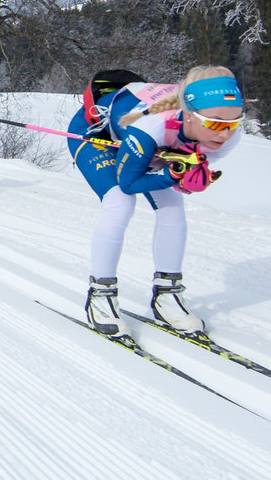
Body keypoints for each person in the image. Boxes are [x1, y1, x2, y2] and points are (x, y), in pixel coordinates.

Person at [67, 65, 244, 337]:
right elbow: (130, 183)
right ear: (189, 115)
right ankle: (101, 297)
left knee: (173, 209)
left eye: (234, 123)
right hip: (97, 136)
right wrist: (174, 174)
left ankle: (167, 296)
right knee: (120, 202)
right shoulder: (151, 126)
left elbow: (190, 163)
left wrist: (189, 175)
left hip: (155, 145)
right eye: (216, 124)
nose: (224, 134)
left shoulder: (228, 135)